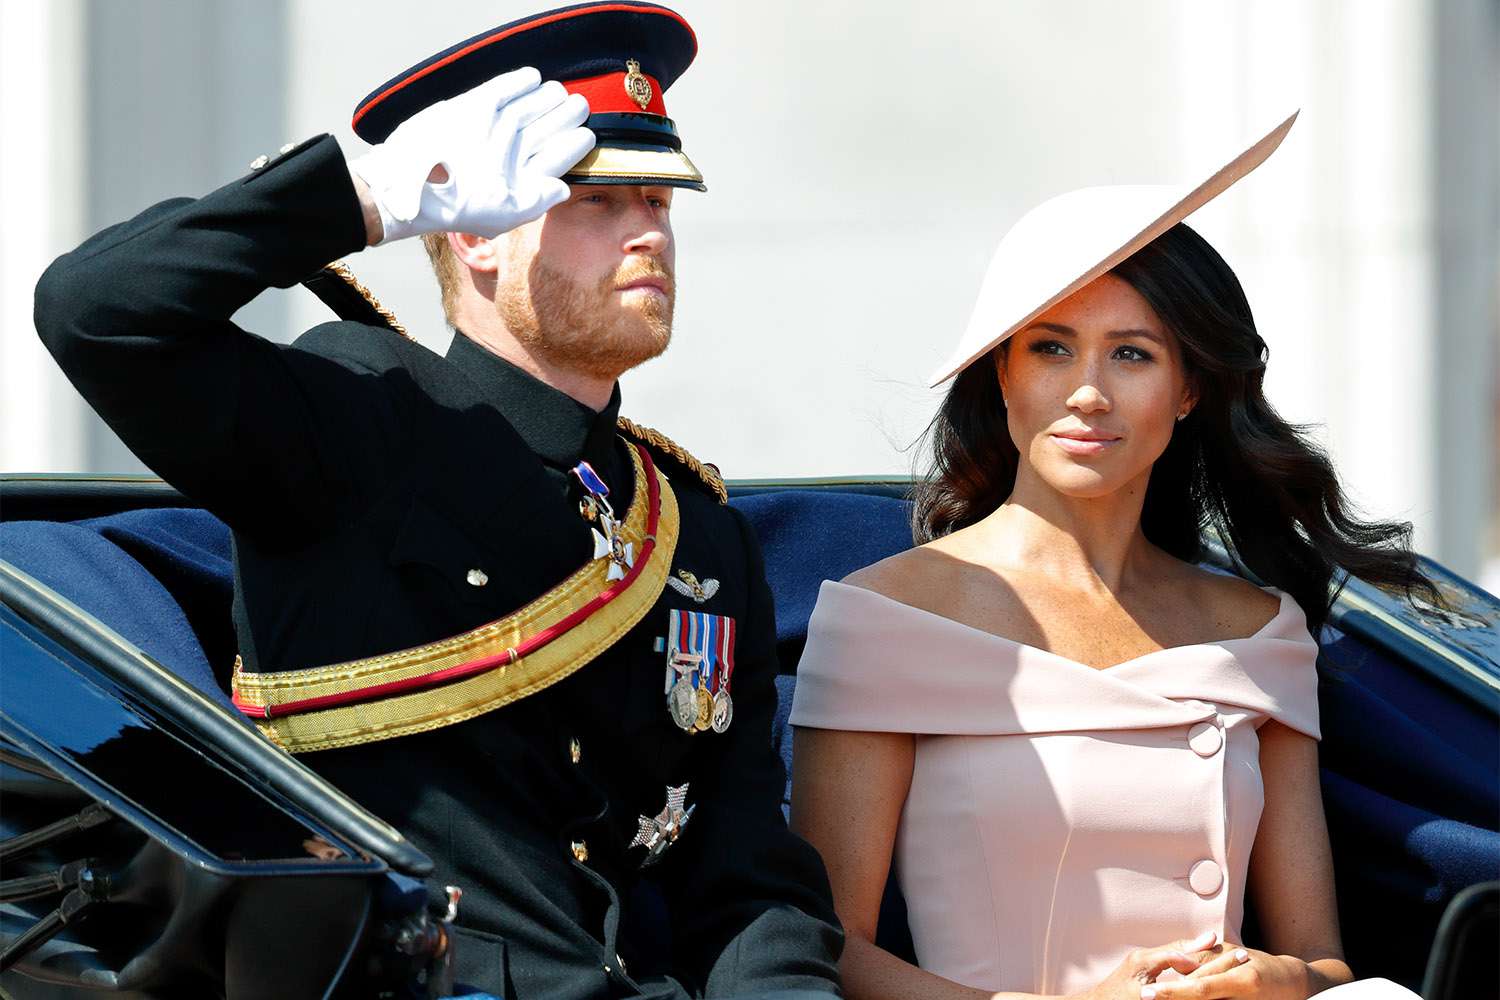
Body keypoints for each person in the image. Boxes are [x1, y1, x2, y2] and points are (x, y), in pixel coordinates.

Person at [33, 5, 841, 997]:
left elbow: (748, 876)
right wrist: (355, 196)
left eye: (660, 201)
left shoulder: (690, 525)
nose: (648, 234)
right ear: (477, 236)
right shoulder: (362, 412)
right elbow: (97, 312)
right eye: (598, 202)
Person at [788, 113, 1431, 1000]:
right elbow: (826, 949)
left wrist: (1276, 979)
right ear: (1003, 374)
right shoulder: (886, 616)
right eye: (1051, 348)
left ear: (1190, 389)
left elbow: (1324, 961)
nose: (1088, 391)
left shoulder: (1263, 633)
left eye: (1132, 354)